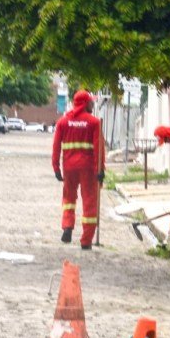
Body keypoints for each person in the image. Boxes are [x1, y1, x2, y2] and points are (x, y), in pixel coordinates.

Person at [52, 90, 104, 250]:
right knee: (89, 202)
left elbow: (56, 146)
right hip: (88, 169)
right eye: (91, 101)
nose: (93, 104)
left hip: (69, 167)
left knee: (68, 199)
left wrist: (56, 167)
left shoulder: (63, 121)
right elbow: (99, 149)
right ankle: (86, 241)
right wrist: (101, 170)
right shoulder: (94, 122)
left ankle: (67, 226)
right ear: (85, 103)